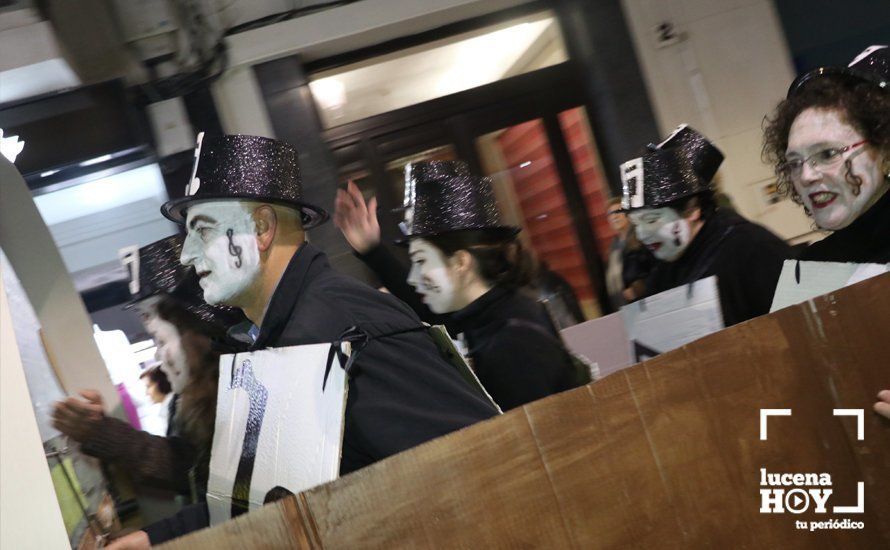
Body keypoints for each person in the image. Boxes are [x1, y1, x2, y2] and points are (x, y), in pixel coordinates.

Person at [109, 134, 498, 548]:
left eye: (202, 231)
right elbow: (256, 493)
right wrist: (156, 537)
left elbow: (479, 469)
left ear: (260, 228)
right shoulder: (277, 338)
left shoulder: (342, 328)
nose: (187, 255)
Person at [335, 160, 584, 411]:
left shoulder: (510, 343)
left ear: (461, 262)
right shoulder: (495, 313)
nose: (413, 277)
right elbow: (429, 311)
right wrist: (372, 251)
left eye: (421, 260)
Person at [52, 236, 240, 504]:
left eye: (161, 341)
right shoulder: (192, 399)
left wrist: (101, 432)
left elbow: (188, 472)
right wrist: (99, 431)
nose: (157, 354)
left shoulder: (238, 400)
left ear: (198, 338)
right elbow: (185, 465)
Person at [763, 45, 889, 420]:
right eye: (794, 163)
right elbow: (785, 396)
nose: (806, 176)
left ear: (884, 148)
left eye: (827, 154)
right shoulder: (809, 272)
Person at [621, 125, 792, 326]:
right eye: (635, 223)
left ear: (692, 210)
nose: (642, 234)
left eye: (651, 220)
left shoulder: (752, 247)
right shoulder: (662, 270)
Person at [605, 197, 654, 308]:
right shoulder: (613, 247)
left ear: (629, 213)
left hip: (647, 302)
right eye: (610, 214)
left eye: (618, 212)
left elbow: (657, 268)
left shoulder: (641, 238)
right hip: (625, 307)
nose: (614, 217)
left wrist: (640, 288)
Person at [138, 366, 173, 436]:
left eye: (148, 386)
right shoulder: (168, 408)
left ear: (162, 384)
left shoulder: (173, 409)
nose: (146, 393)